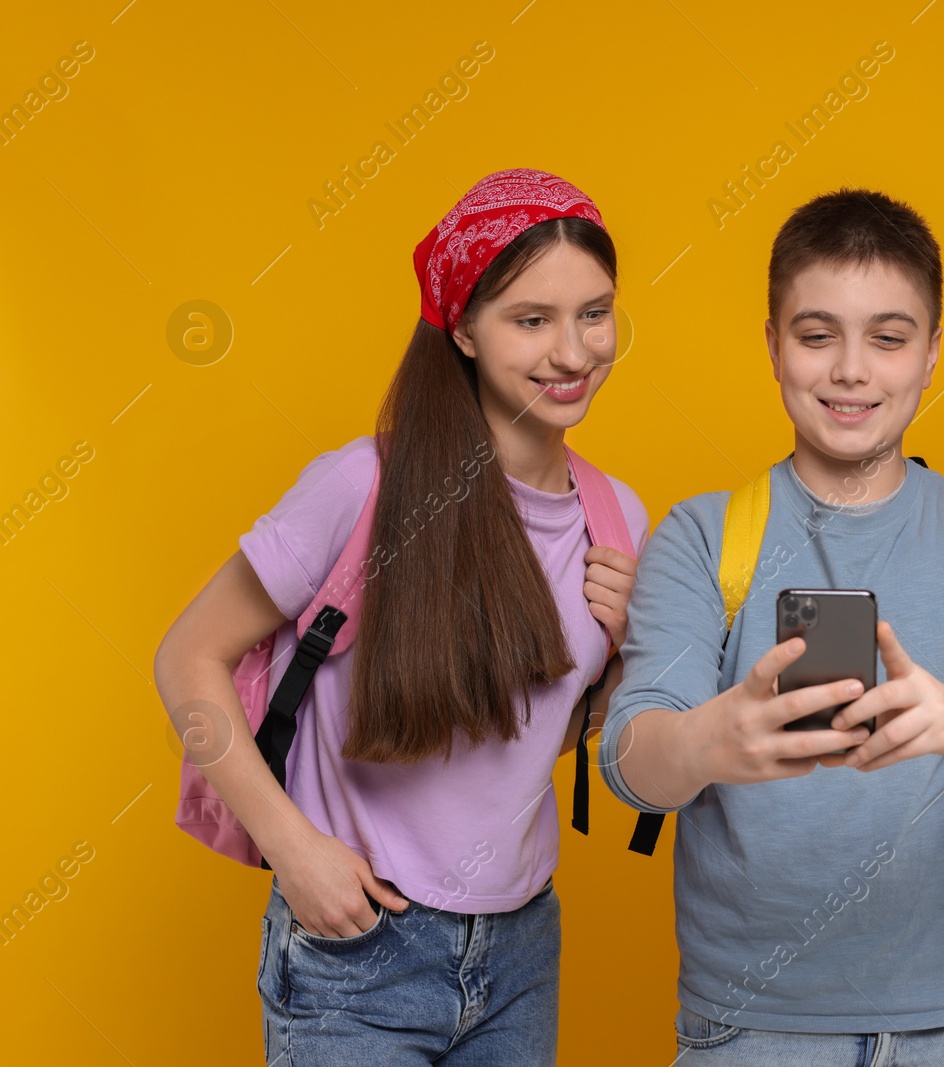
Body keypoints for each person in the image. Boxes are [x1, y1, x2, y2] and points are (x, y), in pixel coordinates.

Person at [153, 168, 648, 1066]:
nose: (573, 353)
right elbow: (186, 658)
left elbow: (522, 743)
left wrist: (617, 669)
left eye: (595, 313)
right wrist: (293, 850)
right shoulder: (362, 487)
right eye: (530, 319)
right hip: (359, 952)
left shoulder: (617, 518)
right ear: (460, 326)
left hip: (521, 950)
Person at [598, 188, 944, 1065]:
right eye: (817, 335)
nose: (851, 371)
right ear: (773, 344)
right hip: (746, 1027)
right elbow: (634, 761)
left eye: (889, 338)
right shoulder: (703, 536)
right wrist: (714, 740)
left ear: (933, 352)